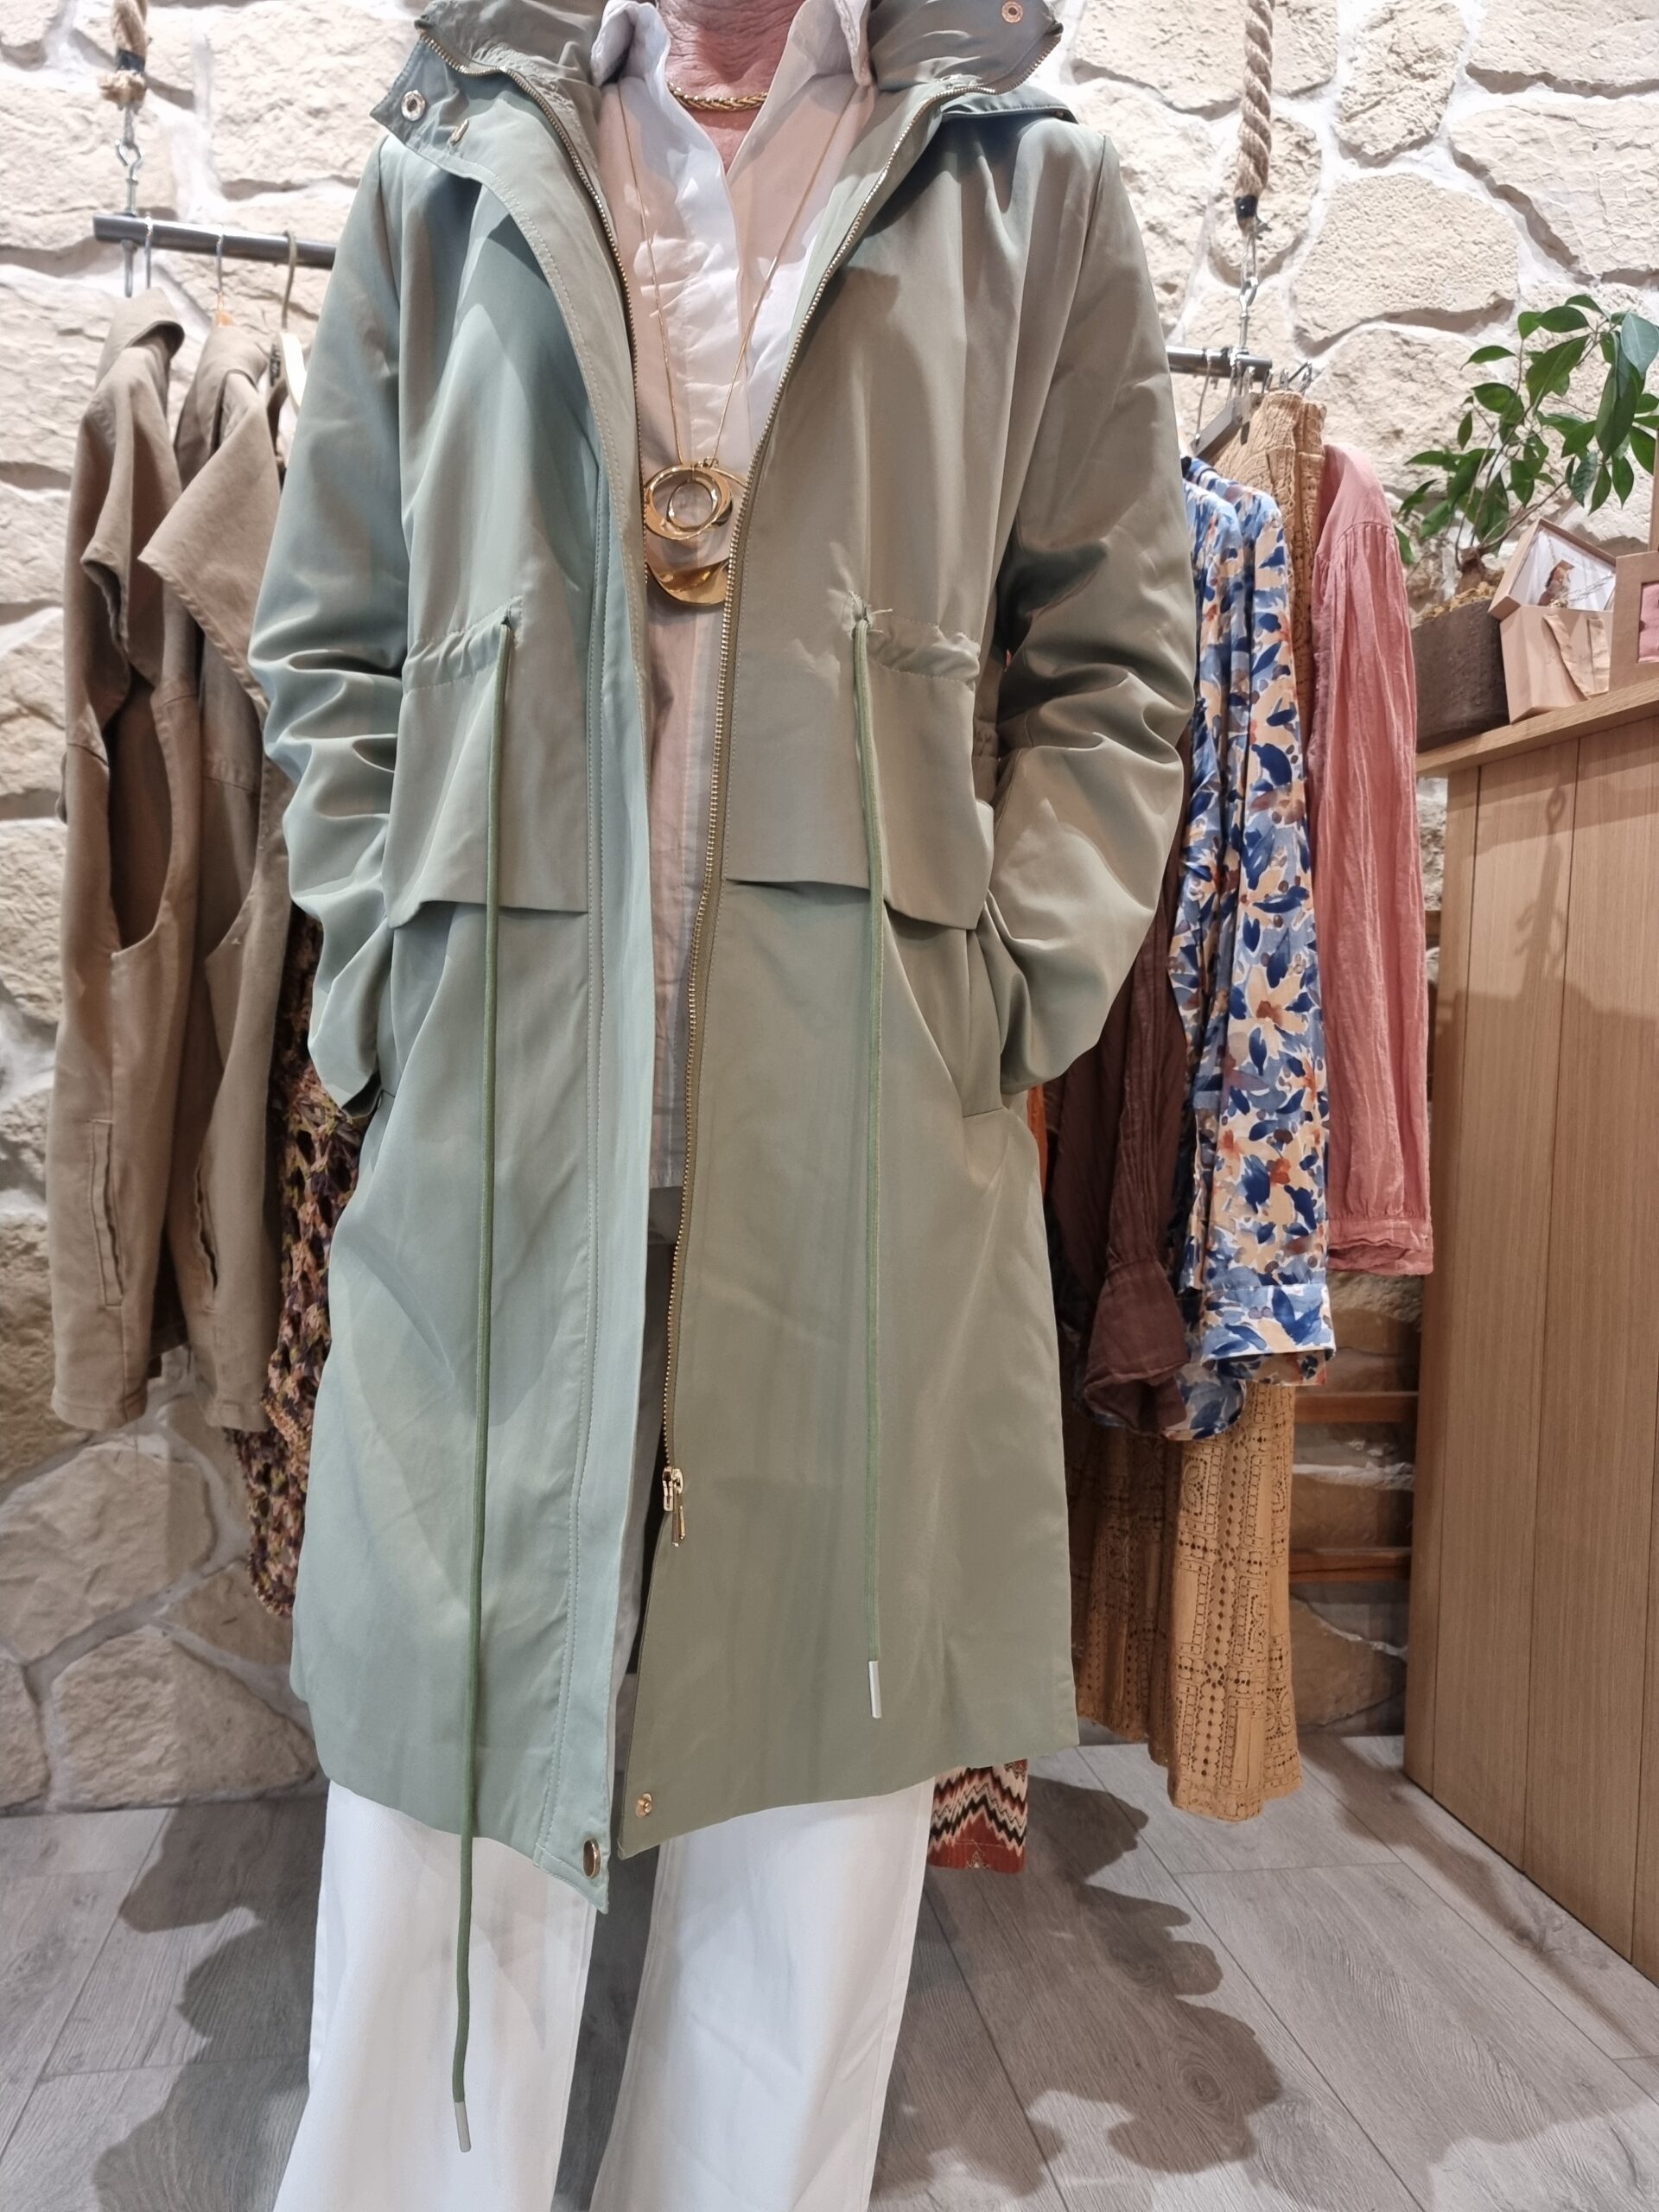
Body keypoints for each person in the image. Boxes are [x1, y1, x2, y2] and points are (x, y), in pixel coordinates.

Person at [250, 0, 1195, 2202]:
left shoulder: (1021, 182)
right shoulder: (449, 161)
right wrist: (392, 965)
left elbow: (1117, 663)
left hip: (865, 1107)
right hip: (502, 1091)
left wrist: (1007, 992)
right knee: (445, 1773)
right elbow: (331, 634)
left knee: (811, 1780)